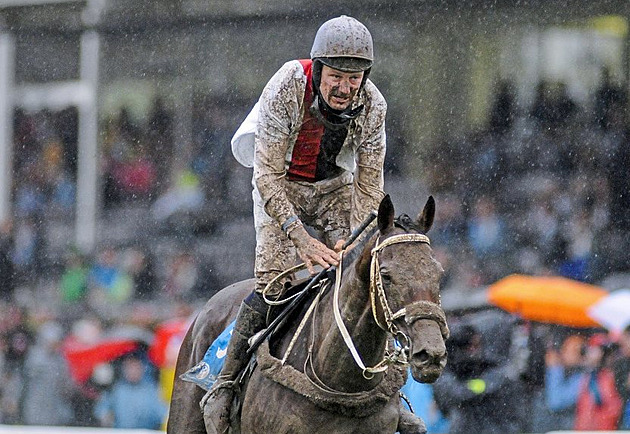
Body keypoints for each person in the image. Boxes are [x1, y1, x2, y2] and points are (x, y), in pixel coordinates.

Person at [204, 15, 389, 434]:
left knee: (367, 274)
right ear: (319, 69)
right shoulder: (288, 83)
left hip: (334, 188)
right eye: (337, 77)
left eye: (354, 78)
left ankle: (393, 386)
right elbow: (265, 175)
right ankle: (227, 382)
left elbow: (369, 187)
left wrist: (354, 241)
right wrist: (300, 238)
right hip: (280, 185)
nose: (345, 88)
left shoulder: (374, 105)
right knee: (275, 283)